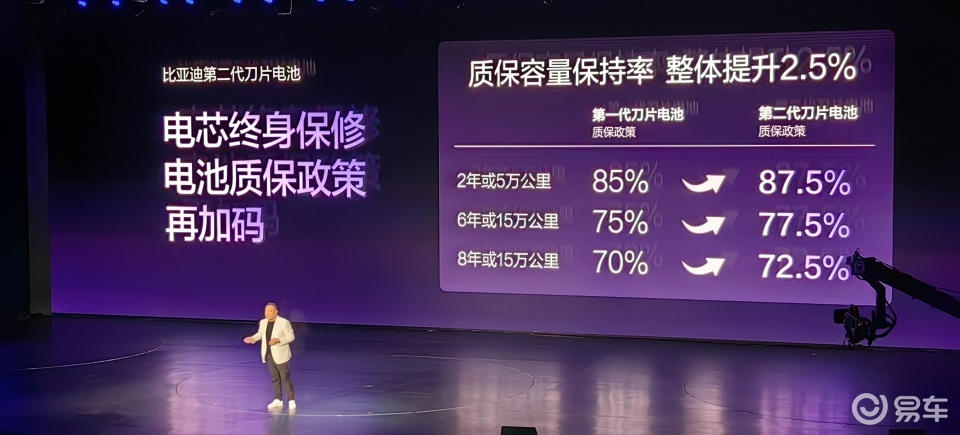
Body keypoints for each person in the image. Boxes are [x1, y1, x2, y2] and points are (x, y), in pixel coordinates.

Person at [243, 302, 296, 410]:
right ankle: (278, 399)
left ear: (276, 312)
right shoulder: (263, 322)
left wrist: (279, 340)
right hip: (268, 354)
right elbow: (260, 334)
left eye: (270, 311)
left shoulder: (284, 322)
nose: (268, 313)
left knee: (285, 378)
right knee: (274, 378)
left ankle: (291, 399)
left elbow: (291, 337)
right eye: (266, 311)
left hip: (281, 355)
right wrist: (252, 338)